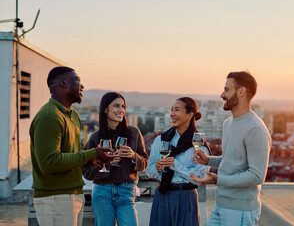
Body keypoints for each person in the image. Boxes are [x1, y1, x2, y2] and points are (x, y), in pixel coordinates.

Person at [30, 66, 114, 226]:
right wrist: (90, 154)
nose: (82, 86)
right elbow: (49, 163)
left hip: (73, 194)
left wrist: (91, 160)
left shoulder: (72, 115)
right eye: (77, 80)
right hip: (55, 198)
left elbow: (72, 153)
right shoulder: (49, 116)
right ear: (62, 83)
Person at [191, 71, 271, 226]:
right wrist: (209, 161)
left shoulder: (255, 128)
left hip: (240, 211)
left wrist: (219, 180)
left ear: (241, 92)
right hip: (221, 204)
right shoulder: (228, 123)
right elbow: (232, 160)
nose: (222, 94)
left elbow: (257, 175)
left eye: (227, 90)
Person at [82, 92, 148, 226]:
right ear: (105, 109)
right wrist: (107, 165)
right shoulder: (96, 137)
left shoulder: (133, 133)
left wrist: (133, 156)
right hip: (102, 192)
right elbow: (86, 170)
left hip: (126, 191)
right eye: (116, 106)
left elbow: (145, 163)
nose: (121, 110)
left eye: (123, 106)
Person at [146, 97, 211, 226]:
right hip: (162, 195)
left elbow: (199, 177)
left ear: (190, 115)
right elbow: (149, 171)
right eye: (171, 110)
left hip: (186, 197)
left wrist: (175, 164)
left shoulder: (199, 145)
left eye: (177, 110)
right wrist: (158, 167)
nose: (172, 114)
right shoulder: (161, 140)